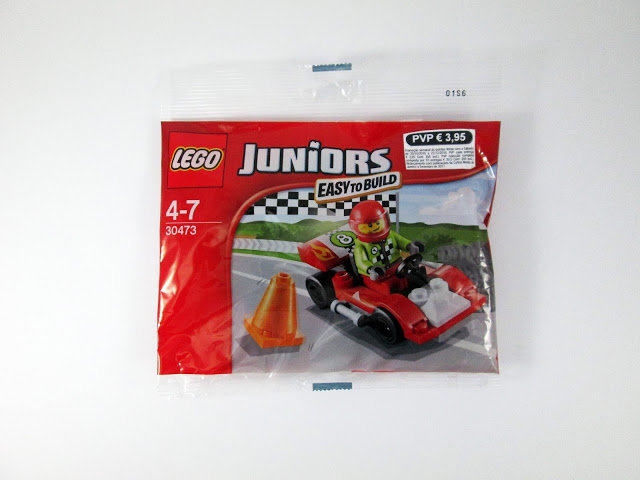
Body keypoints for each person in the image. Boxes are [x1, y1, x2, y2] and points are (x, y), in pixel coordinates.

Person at [349, 200, 424, 295]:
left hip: (398, 267)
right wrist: (371, 269)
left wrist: (411, 246)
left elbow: (402, 242)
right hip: (378, 276)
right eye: (370, 225)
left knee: (416, 275)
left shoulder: (390, 235)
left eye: (378, 223)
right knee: (390, 288)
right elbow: (361, 262)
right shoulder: (361, 245)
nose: (375, 227)